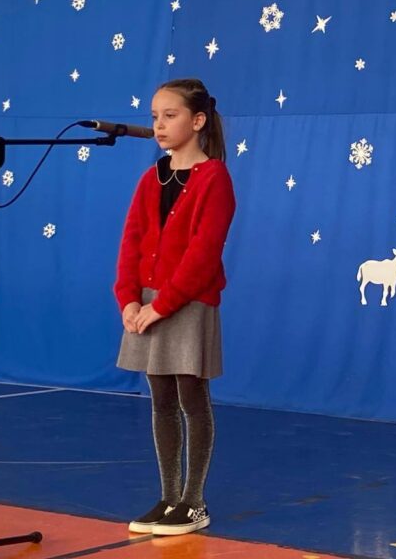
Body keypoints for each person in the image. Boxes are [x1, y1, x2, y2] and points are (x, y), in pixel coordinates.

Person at [113, 78, 236, 536]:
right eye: (154, 117)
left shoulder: (214, 177)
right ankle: (168, 498)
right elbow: (131, 242)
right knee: (160, 400)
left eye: (170, 116)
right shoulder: (152, 178)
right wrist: (128, 298)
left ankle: (194, 502)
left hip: (187, 302)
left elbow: (203, 253)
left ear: (198, 120)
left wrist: (161, 306)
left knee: (191, 397)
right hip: (148, 303)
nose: (159, 126)